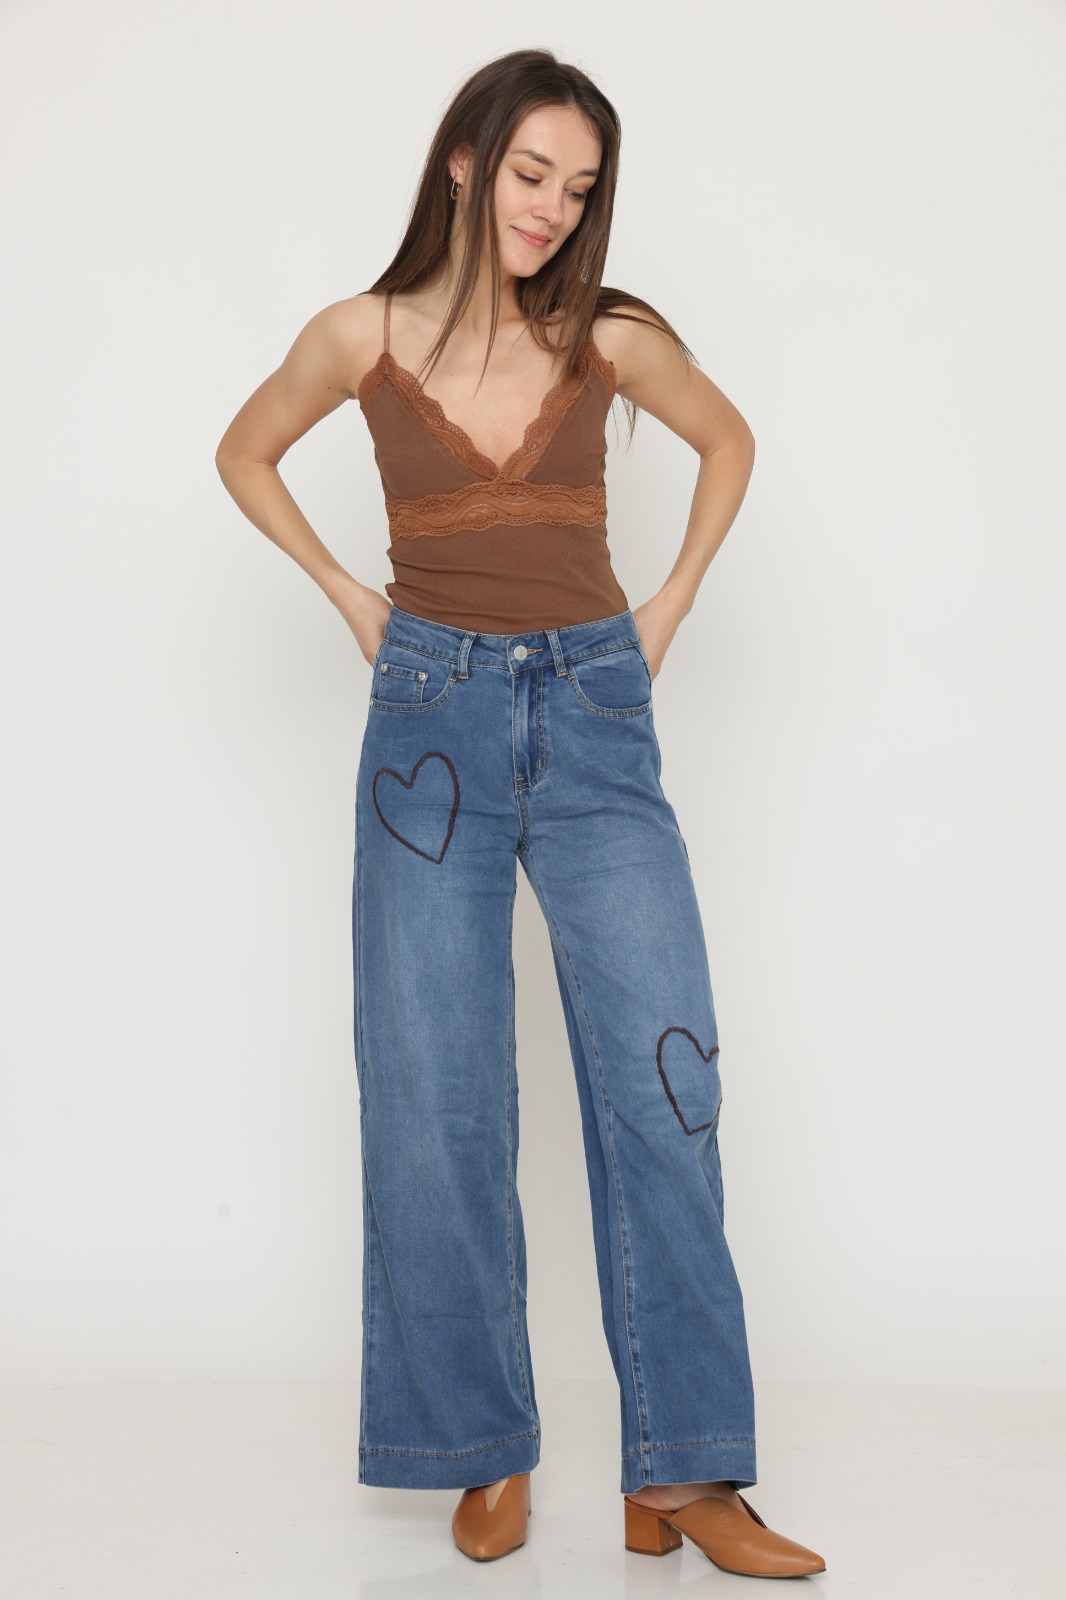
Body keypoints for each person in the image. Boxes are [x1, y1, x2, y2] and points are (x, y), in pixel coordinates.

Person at [215, 46, 825, 1581]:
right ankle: (476, 1446)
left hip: (597, 715)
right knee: (434, 1092)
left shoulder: (610, 338)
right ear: (464, 162)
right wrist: (350, 594)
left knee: (664, 1083)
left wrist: (667, 603)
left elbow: (731, 440)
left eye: (580, 186)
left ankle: (683, 1472)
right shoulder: (357, 334)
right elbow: (242, 450)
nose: (551, 208)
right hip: (429, 718)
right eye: (530, 172)